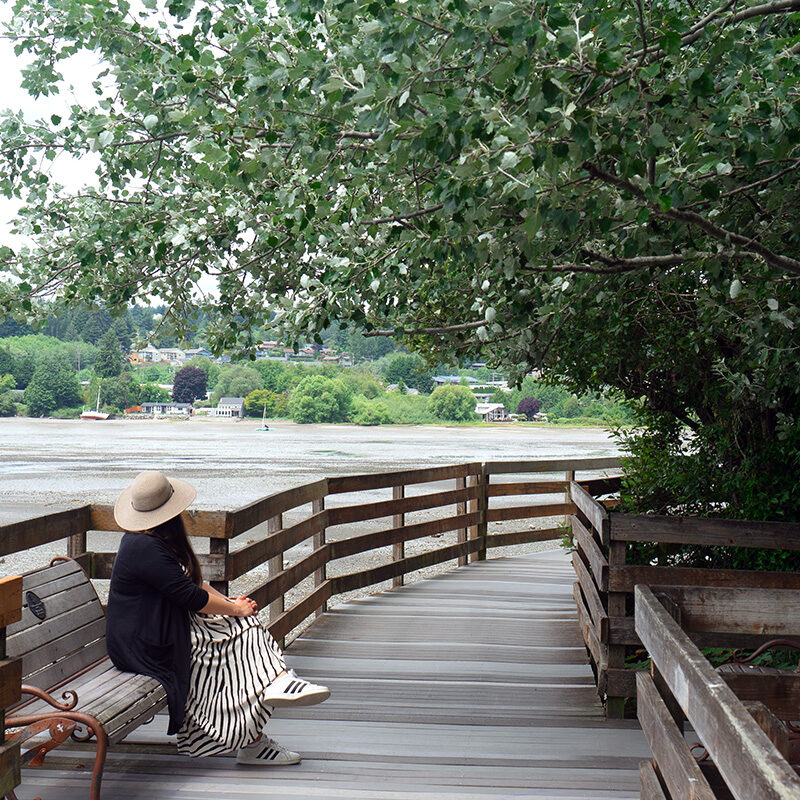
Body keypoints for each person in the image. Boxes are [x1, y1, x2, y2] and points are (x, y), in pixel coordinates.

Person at [106, 470, 329, 765]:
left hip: (153, 631)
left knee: (238, 625)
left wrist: (229, 602)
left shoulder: (148, 540)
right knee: (233, 636)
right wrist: (235, 609)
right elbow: (192, 598)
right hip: (142, 647)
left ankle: (273, 693)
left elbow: (190, 583)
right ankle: (266, 709)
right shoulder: (143, 548)